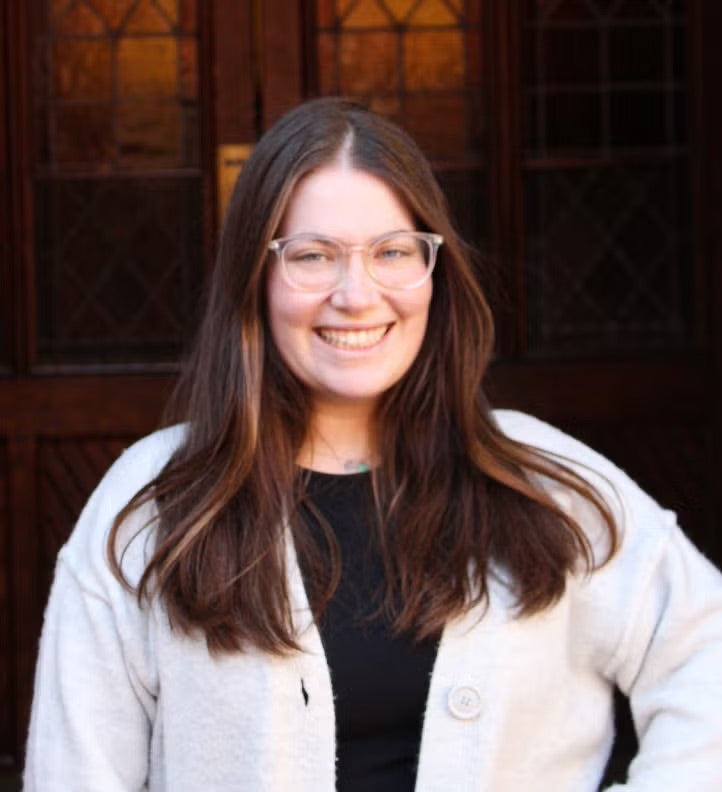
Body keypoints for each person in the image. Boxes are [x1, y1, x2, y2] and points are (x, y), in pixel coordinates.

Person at [24, 97, 722, 792]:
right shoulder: (153, 504)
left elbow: (705, 650)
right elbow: (74, 771)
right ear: (254, 278)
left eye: (392, 251)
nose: (357, 295)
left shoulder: (543, 481)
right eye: (313, 256)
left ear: (433, 271)